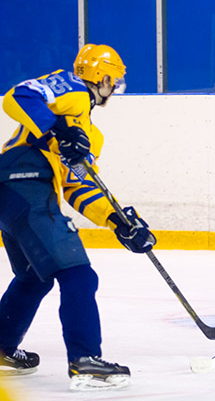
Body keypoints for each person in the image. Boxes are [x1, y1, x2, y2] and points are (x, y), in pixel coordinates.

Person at [0, 44, 155, 389]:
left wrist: (117, 220)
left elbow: (78, 186)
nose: (113, 88)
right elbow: (17, 96)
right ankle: (85, 360)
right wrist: (56, 128)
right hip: (25, 180)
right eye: (113, 80)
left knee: (34, 277)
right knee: (79, 275)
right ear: (102, 77)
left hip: (16, 193)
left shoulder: (91, 136)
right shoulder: (73, 90)